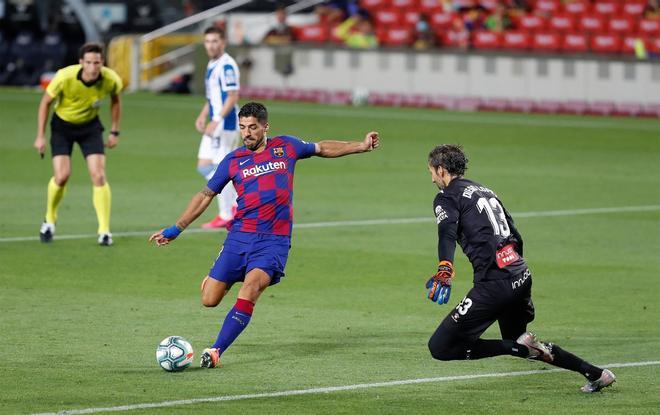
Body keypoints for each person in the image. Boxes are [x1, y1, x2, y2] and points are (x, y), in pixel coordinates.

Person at [149, 102, 380, 368]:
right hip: (239, 237)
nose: (247, 133)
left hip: (273, 242)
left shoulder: (287, 147)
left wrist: (360, 146)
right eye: (243, 128)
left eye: (253, 128)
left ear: (265, 127)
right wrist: (176, 229)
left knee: (251, 289)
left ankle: (216, 350)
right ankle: (223, 275)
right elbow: (205, 195)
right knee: (209, 300)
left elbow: (321, 148)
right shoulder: (233, 160)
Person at [424, 144, 616, 393]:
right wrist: (515, 273)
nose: (431, 178)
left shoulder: (446, 196)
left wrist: (445, 269)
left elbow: (446, 233)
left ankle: (512, 348)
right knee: (522, 341)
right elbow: (516, 235)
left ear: (441, 170)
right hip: (520, 275)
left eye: (431, 171)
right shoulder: (485, 190)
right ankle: (597, 373)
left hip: (494, 285)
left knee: (440, 347)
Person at [33, 42, 123, 246]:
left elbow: (116, 100)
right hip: (62, 127)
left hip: (90, 128)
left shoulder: (110, 79)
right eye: (89, 62)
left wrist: (114, 130)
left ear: (102, 62)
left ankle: (104, 231)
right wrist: (40, 135)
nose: (93, 67)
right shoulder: (64, 77)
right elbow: (45, 103)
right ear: (81, 62)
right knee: (62, 176)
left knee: (99, 175)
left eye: (97, 63)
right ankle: (49, 219)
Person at [194, 26, 240, 229]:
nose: (211, 45)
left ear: (223, 42)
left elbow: (232, 96)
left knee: (222, 169)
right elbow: (212, 97)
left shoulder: (227, 66)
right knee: (204, 165)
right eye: (208, 41)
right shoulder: (213, 64)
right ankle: (238, 202)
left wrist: (217, 119)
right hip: (215, 123)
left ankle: (227, 213)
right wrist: (204, 115)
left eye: (215, 41)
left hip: (226, 124)